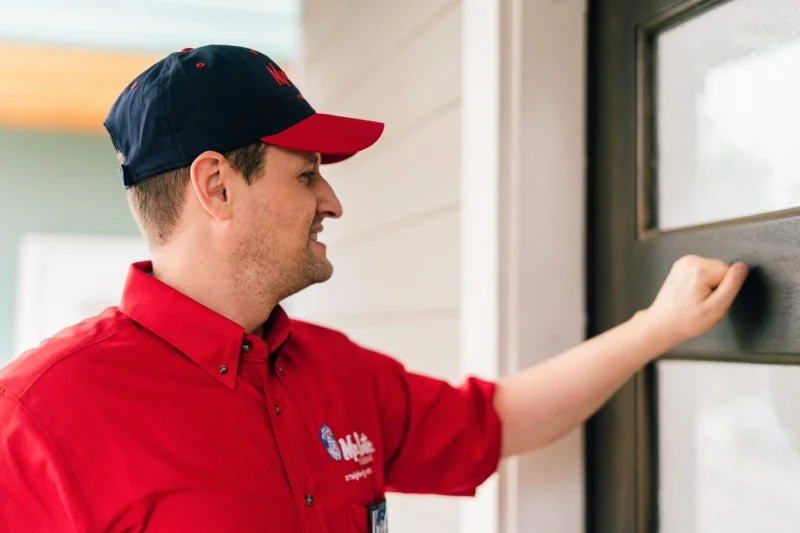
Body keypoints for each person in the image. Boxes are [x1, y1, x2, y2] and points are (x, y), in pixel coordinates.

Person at [0, 44, 748, 533]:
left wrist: (659, 325)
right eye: (306, 174)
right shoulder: (35, 420)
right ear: (217, 187)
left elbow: (498, 420)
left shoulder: (334, 372)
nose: (332, 201)